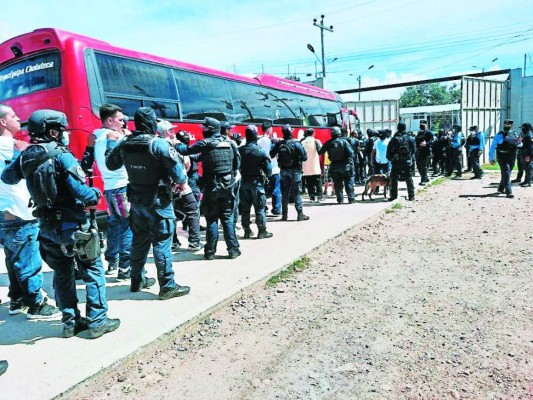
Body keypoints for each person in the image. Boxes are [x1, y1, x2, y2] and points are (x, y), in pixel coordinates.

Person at [2, 109, 119, 338]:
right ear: (53, 130)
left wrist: (22, 158)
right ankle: (98, 321)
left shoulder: (26, 156)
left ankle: (70, 321)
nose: (63, 134)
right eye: (61, 130)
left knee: (62, 273)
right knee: (93, 269)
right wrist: (94, 194)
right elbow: (82, 193)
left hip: (46, 228)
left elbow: (8, 177)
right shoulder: (61, 154)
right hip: (73, 225)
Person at [106, 107, 191, 299]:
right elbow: (179, 174)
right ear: (152, 124)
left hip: (136, 201)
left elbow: (111, 164)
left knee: (139, 241)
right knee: (161, 242)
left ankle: (137, 280)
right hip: (159, 202)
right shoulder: (159, 144)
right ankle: (167, 286)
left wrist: (112, 143)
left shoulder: (125, 143)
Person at [0, 104, 60, 319]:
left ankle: (17, 299)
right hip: (19, 211)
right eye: (14, 116)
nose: (19, 119)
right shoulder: (13, 146)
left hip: (4, 212)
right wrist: (22, 152)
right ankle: (37, 304)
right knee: (28, 260)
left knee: (13, 257)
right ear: (3, 122)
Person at [82, 103, 132, 280]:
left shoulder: (93, 136)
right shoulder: (119, 136)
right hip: (122, 187)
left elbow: (86, 163)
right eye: (120, 119)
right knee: (127, 227)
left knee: (113, 225)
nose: (123, 122)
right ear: (110, 120)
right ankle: (126, 268)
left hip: (109, 189)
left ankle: (112, 262)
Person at [184, 117, 241, 260]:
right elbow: (236, 164)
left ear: (211, 129)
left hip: (211, 186)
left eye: (204, 128)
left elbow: (188, 151)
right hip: (227, 186)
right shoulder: (229, 143)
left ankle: (210, 252)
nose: (202, 130)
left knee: (212, 220)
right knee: (227, 218)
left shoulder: (205, 143)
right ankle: (233, 250)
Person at [157, 120, 201, 251]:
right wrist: (180, 181)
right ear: (167, 132)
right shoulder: (175, 145)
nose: (173, 132)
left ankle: (173, 242)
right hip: (180, 185)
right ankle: (194, 242)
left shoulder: (154, 145)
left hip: (164, 186)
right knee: (193, 210)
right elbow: (186, 165)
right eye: (171, 130)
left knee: (170, 214)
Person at [239, 125, 273, 239]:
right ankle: (262, 231)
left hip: (243, 182)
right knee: (259, 208)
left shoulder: (240, 150)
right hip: (257, 183)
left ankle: (247, 231)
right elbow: (269, 170)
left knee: (245, 209)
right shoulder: (260, 151)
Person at [270, 124, 309, 220]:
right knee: (297, 193)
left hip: (283, 171)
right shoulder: (296, 144)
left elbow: (271, 154)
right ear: (291, 132)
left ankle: (284, 215)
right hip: (295, 171)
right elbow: (304, 157)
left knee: (285, 193)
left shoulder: (280, 144)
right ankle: (300, 214)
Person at [318, 126, 355, 204]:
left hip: (334, 166)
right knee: (348, 183)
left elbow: (320, 152)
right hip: (346, 166)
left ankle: (340, 200)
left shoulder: (328, 143)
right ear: (339, 133)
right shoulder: (344, 142)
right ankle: (351, 199)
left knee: (337, 184)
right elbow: (351, 153)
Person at [387, 122, 416, 201]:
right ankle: (411, 195)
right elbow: (414, 150)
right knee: (408, 178)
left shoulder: (394, 139)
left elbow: (389, 150)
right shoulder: (410, 138)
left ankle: (393, 195)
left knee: (394, 178)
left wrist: (390, 158)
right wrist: (410, 158)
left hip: (396, 161)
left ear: (398, 128)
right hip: (406, 161)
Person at [489, 119, 518, 198]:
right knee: (506, 172)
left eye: (508, 125)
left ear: (511, 126)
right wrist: (491, 157)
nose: (506, 127)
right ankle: (509, 191)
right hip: (502, 156)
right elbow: (492, 146)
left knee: (507, 173)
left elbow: (518, 144)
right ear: (503, 126)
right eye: (505, 125)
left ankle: (501, 187)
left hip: (511, 156)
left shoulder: (514, 134)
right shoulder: (499, 135)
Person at [258, 121, 281, 216]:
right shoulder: (272, 141)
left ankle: (263, 208)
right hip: (274, 168)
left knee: (262, 190)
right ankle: (276, 209)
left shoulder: (258, 141)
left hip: (261, 170)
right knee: (276, 190)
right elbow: (275, 154)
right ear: (269, 130)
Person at [301, 128, 323, 202]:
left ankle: (311, 197)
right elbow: (320, 152)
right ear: (313, 133)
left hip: (305, 166)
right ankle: (320, 197)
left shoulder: (302, 142)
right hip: (315, 165)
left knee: (309, 182)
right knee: (318, 181)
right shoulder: (316, 141)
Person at [519, 122, 532, 187]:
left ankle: (528, 182)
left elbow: (530, 147)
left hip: (528, 154)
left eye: (523, 128)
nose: (522, 130)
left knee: (528, 168)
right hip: (525, 153)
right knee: (526, 168)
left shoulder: (529, 135)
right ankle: (526, 181)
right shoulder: (527, 135)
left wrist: (528, 155)